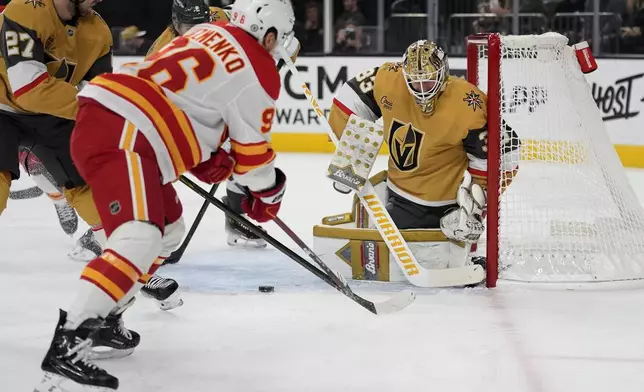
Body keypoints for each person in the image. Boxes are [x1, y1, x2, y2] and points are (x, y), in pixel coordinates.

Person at [36, 0, 294, 390]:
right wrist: (272, 195)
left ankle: (108, 316)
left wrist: (202, 153)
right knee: (140, 235)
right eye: (281, 40)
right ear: (269, 33)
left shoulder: (209, 32)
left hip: (115, 121)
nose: (279, 49)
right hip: (125, 131)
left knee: (169, 231)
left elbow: (181, 103)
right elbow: (255, 164)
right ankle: (70, 343)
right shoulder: (259, 67)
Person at [148, 0, 300, 253]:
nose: (195, 30)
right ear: (175, 23)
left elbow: (263, 31)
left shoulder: (224, 17)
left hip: (212, 102)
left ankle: (236, 216)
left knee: (238, 150)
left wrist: (278, 50)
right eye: (187, 25)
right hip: (173, 118)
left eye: (201, 23)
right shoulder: (162, 50)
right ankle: (115, 224)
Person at [328, 40, 519, 233]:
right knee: (364, 223)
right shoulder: (389, 79)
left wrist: (475, 205)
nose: (421, 88)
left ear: (443, 73)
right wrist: (348, 156)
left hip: (444, 207)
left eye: (428, 80)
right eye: (414, 81)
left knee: (372, 244)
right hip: (396, 192)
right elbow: (349, 99)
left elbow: (508, 151)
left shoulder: (468, 102)